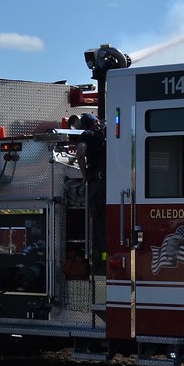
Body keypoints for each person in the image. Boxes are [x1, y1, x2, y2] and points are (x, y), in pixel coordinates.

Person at [76, 113, 106, 268]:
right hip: (112, 184)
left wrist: (85, 175)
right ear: (96, 122)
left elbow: (80, 153)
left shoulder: (86, 135)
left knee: (99, 223)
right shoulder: (106, 133)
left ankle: (102, 261)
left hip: (97, 183)